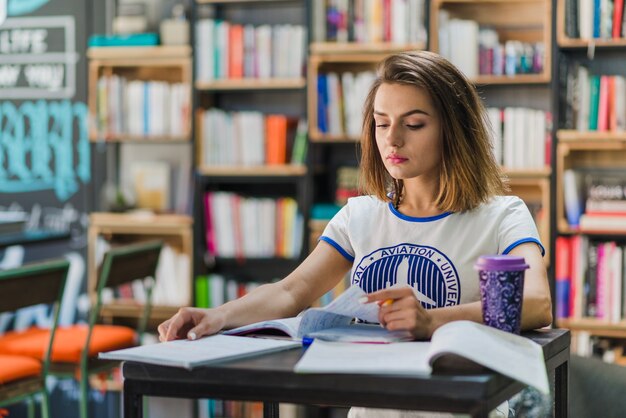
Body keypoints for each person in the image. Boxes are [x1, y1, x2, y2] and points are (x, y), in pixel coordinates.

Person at [158, 50, 553, 417]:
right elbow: (291, 291)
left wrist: (431, 321)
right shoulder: (361, 214)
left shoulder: (503, 214)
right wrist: (215, 316)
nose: (392, 139)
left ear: (454, 130)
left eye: (413, 124)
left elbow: (536, 303)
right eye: (382, 123)